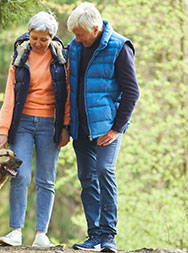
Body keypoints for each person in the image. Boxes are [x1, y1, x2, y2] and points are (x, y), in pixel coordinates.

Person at [0, 11, 70, 247]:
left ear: (52, 38)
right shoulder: (20, 57)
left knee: (46, 179)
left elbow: (66, 98)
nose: (38, 43)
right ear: (29, 35)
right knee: (19, 175)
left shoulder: (60, 61)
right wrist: (3, 130)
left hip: (49, 125)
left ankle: (41, 235)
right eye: (34, 38)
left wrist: (65, 126)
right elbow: (9, 96)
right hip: (22, 123)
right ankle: (15, 232)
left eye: (43, 40)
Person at [66, 2, 140, 252]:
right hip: (81, 128)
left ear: (95, 28)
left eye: (80, 34)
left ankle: (109, 236)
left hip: (108, 128)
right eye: (74, 33)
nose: (76, 38)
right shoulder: (75, 47)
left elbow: (132, 92)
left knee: (104, 171)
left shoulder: (120, 47)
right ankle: (94, 235)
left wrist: (117, 129)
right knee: (87, 179)